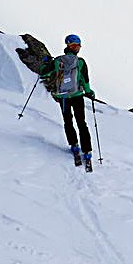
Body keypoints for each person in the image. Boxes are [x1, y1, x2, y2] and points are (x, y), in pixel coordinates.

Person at [40, 34, 95, 170]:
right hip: (77, 96)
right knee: (82, 123)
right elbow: (85, 80)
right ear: (73, 46)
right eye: (77, 46)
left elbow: (43, 73)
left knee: (68, 121)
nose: (78, 48)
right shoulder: (80, 62)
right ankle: (87, 151)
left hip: (63, 96)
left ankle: (74, 145)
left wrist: (46, 63)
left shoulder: (58, 61)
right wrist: (89, 92)